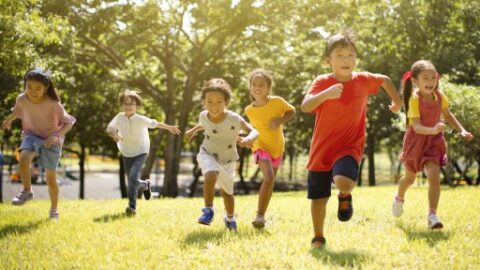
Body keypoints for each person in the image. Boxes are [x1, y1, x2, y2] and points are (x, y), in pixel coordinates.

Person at [301, 30, 402, 248]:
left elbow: (384, 80)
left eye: (350, 54)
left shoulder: (362, 80)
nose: (346, 60)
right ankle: (318, 236)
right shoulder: (322, 81)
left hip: (349, 146)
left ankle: (344, 195)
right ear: (329, 60)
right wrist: (325, 94)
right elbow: (305, 105)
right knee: (318, 197)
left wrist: (397, 102)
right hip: (321, 150)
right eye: (340, 55)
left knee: (344, 182)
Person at [392, 60, 473, 229]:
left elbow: (447, 114)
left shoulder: (440, 96)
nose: (430, 82)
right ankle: (399, 197)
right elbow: (417, 127)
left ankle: (432, 215)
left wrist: (462, 130)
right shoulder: (414, 99)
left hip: (433, 142)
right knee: (409, 178)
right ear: (415, 81)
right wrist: (435, 128)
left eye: (433, 78)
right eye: (425, 78)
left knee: (434, 177)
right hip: (416, 141)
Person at [1, 68, 76, 221]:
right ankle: (27, 191)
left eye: (37, 88)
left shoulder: (54, 104)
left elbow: (69, 122)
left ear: (45, 89)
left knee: (50, 178)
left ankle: (54, 210)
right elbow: (17, 111)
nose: (32, 91)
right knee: (23, 158)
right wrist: (9, 120)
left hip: (51, 139)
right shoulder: (22, 99)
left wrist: (57, 136)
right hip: (32, 134)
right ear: (24, 85)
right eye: (29, 87)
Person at [185, 78, 258, 231]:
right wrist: (193, 130)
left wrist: (248, 139)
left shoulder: (234, 119)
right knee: (211, 174)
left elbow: (254, 131)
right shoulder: (203, 115)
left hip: (228, 159)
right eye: (209, 101)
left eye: (219, 102)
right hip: (208, 153)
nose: (214, 106)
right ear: (204, 102)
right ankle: (208, 210)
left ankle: (230, 218)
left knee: (227, 193)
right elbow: (204, 125)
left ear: (226, 102)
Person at [106, 89, 180, 216]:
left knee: (133, 177)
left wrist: (169, 128)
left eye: (131, 104)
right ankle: (145, 185)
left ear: (136, 106)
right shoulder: (119, 117)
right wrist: (115, 135)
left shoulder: (140, 119)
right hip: (126, 151)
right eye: (125, 103)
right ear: (122, 105)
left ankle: (132, 207)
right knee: (132, 180)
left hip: (141, 151)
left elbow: (155, 123)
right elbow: (110, 129)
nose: (128, 106)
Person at [244, 68, 296, 228]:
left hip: (277, 147)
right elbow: (251, 128)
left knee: (270, 181)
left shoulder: (277, 102)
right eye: (254, 84)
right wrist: (246, 138)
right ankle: (259, 216)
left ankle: (262, 215)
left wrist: (280, 121)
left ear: (268, 87)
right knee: (269, 177)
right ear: (250, 87)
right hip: (260, 145)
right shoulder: (249, 110)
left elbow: (292, 111)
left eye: (261, 85)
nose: (257, 88)